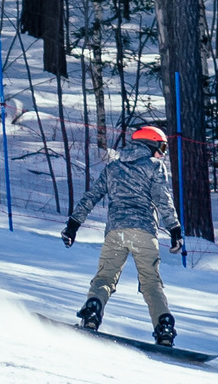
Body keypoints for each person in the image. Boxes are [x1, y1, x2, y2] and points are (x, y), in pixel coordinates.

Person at [63, 124, 184, 345]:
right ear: (150, 144)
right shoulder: (154, 166)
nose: (162, 154)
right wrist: (174, 229)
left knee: (105, 278)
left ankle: (92, 313)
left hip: (116, 232)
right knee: (151, 282)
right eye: (162, 148)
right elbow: (163, 199)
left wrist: (73, 224)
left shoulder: (113, 167)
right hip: (144, 232)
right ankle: (164, 327)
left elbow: (92, 195)